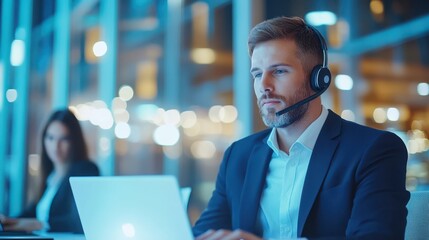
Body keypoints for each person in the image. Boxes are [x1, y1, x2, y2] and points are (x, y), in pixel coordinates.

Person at [193, 16, 409, 240]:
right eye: (257, 74)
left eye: (278, 71)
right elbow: (203, 234)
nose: (264, 86)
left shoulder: (373, 150)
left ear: (318, 79)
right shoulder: (238, 156)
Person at [0, 109, 100, 233]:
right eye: (50, 138)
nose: (55, 146)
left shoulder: (86, 170)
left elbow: (77, 220)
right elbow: (31, 212)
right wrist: (7, 221)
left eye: (64, 139)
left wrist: (39, 225)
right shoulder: (50, 175)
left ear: (75, 142)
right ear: (44, 139)